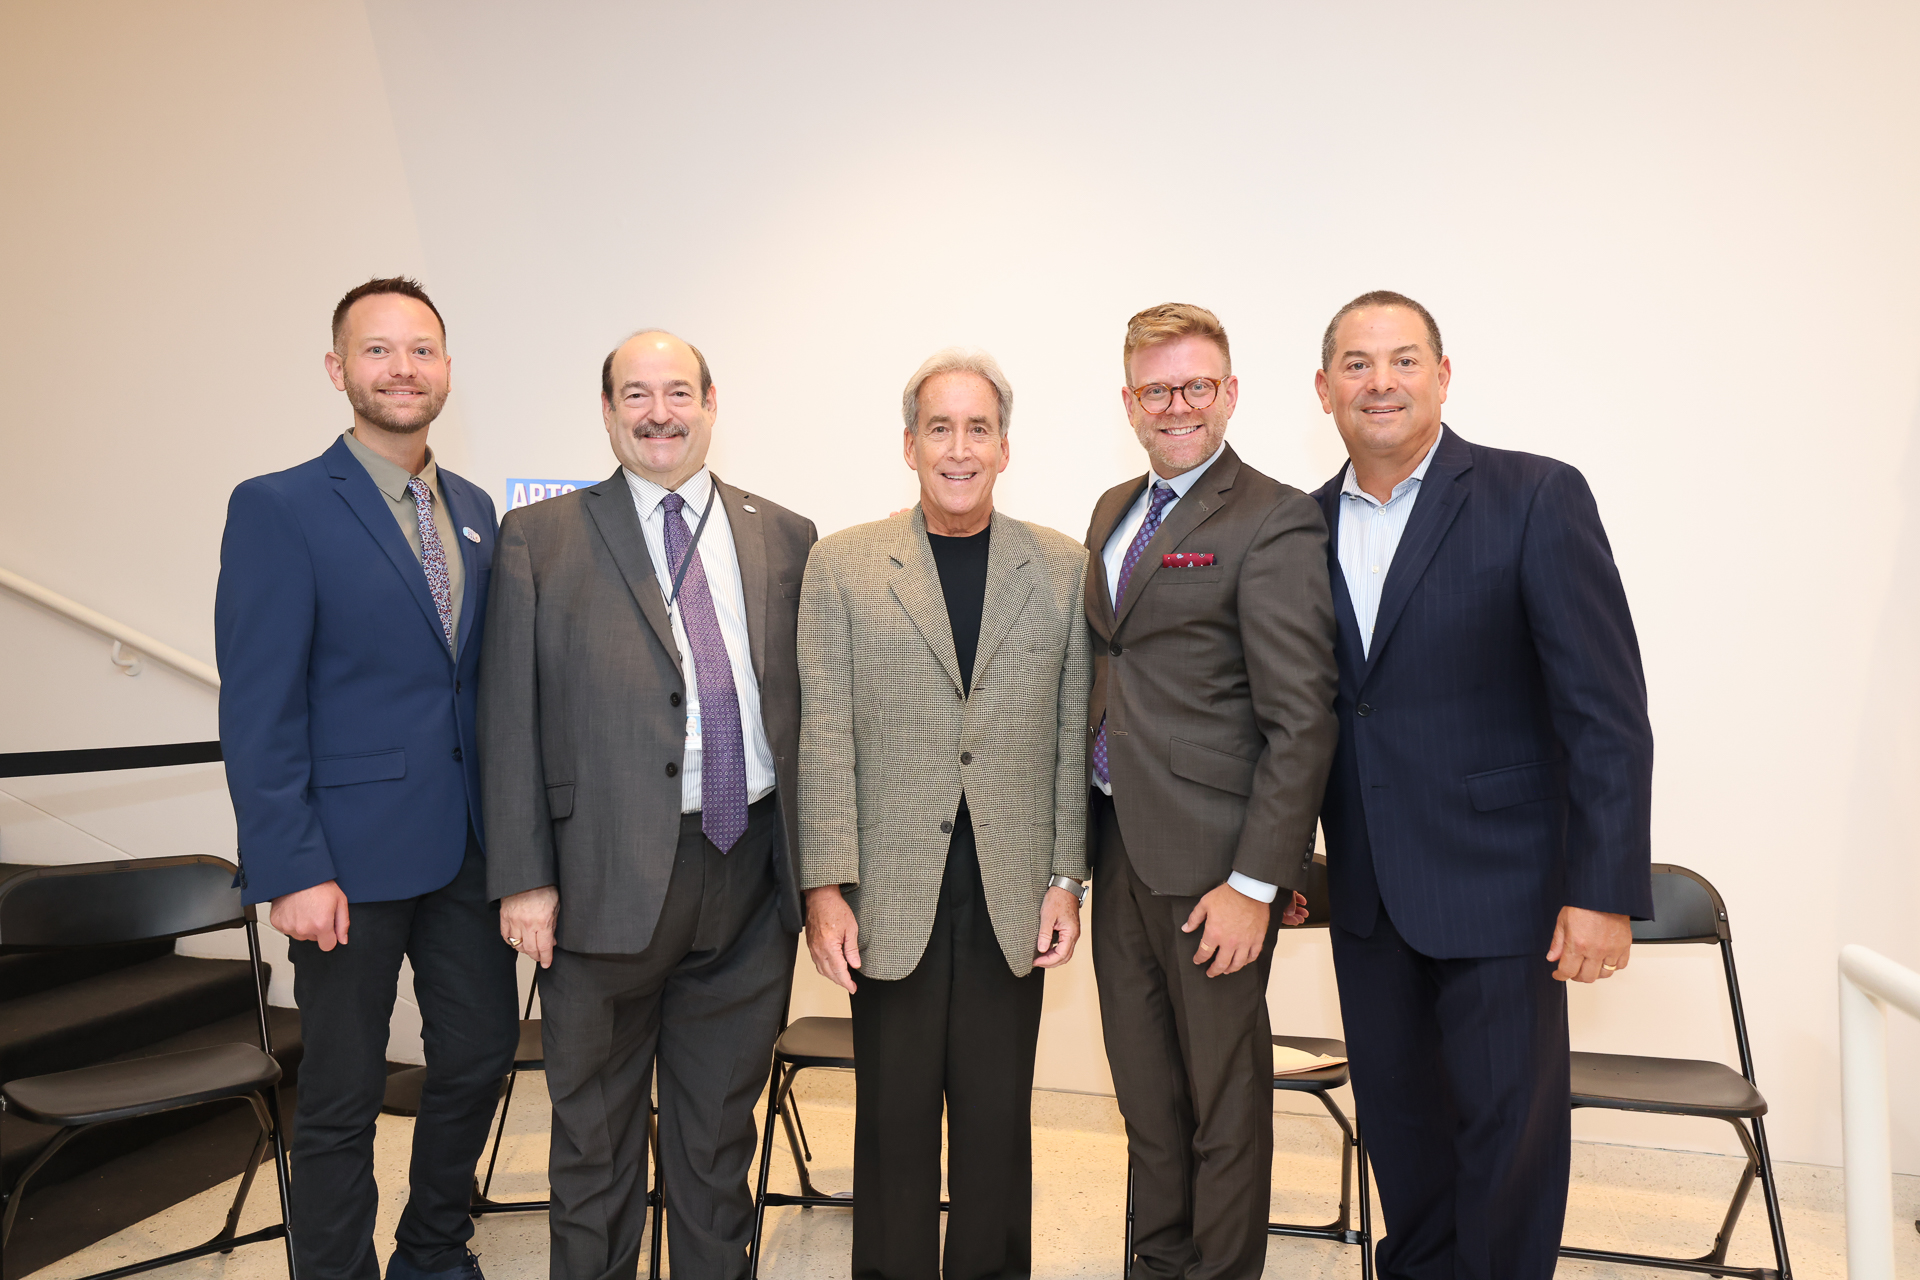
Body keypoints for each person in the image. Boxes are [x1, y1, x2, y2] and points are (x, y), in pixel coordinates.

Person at [1310, 290, 1655, 1280]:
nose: (1381, 381)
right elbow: (1298, 717)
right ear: (1324, 387)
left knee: (1507, 1156)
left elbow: (1604, 707)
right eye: (1359, 363)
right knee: (1406, 1149)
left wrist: (1601, 888)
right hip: (1371, 897)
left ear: (1443, 376)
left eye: (1405, 360)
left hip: (1507, 898)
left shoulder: (1535, 496)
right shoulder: (1298, 525)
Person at [479, 331, 815, 1280]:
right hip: (598, 884)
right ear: (608, 411)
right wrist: (525, 878)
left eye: (677, 391)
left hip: (747, 870)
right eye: (636, 394)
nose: (658, 411)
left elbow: (804, 716)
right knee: (594, 1137)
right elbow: (509, 716)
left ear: (713, 402)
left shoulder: (785, 535)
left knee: (716, 1136)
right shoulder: (540, 538)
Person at [215, 277, 517, 1280]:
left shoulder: (474, 509)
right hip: (342, 860)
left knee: (475, 1058)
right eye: (378, 351)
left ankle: (433, 1246)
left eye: (422, 351)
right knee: (343, 1091)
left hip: (466, 849)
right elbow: (260, 708)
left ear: (444, 369)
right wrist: (291, 863)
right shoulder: (279, 506)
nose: (403, 369)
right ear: (338, 370)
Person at [797, 348, 1091, 1280]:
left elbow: (1069, 736)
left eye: (977, 429)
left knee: (999, 1119)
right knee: (892, 1117)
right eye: (939, 428)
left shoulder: (1062, 567)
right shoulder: (842, 566)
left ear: (1004, 447)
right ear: (910, 444)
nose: (957, 448)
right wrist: (824, 886)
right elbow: (825, 738)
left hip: (1012, 890)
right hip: (889, 889)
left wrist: (1066, 877)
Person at [1084, 303, 1338, 1280]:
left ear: (1229, 393)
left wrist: (1255, 884)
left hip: (1215, 870)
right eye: (1159, 389)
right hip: (1119, 849)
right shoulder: (1113, 510)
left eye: (1198, 385)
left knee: (1223, 1107)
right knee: (1148, 1101)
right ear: (1130, 400)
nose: (1178, 404)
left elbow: (1300, 718)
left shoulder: (1272, 515)